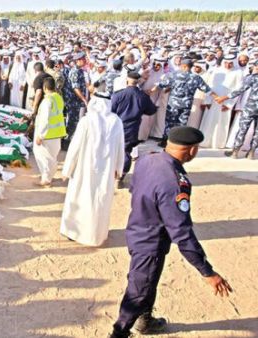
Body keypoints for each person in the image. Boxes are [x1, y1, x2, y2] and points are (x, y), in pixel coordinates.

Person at [109, 126, 232, 338]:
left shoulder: (147, 159)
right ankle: (119, 332)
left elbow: (135, 189)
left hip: (136, 229)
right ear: (191, 150)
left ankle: (144, 320)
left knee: (148, 280)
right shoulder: (175, 182)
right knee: (138, 291)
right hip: (150, 242)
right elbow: (182, 233)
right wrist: (207, 272)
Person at [60, 92, 125, 247]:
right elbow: (120, 149)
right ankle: (96, 234)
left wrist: (67, 169)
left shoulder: (86, 121)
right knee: (100, 201)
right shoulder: (116, 121)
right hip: (106, 171)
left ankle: (75, 232)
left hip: (84, 169)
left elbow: (74, 147)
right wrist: (118, 168)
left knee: (80, 198)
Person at [152, 59, 219, 147]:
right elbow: (207, 90)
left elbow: (161, 85)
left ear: (184, 66)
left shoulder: (174, 75)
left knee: (169, 123)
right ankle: (179, 142)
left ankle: (165, 141)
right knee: (182, 124)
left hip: (173, 105)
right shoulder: (196, 77)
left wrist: (151, 90)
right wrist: (218, 97)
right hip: (186, 105)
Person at [111, 71, 157, 184]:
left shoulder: (118, 94)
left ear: (127, 80)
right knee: (126, 152)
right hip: (132, 128)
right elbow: (151, 111)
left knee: (113, 151)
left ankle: (112, 174)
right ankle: (120, 177)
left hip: (116, 127)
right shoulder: (143, 96)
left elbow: (111, 111)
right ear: (138, 82)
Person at [199, 55, 243, 149]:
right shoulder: (217, 71)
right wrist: (208, 100)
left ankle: (217, 144)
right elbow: (209, 86)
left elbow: (238, 89)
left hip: (226, 103)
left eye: (230, 63)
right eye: (226, 63)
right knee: (208, 121)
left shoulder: (238, 72)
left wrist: (229, 104)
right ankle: (204, 142)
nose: (228, 65)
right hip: (213, 101)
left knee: (222, 124)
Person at [220, 59, 258, 159]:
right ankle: (251, 153)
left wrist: (225, 97)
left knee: (242, 129)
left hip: (251, 107)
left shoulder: (253, 77)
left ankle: (235, 152)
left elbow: (240, 90)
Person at [33, 77, 66, 186]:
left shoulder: (47, 101)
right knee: (52, 157)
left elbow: (45, 120)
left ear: (45, 87)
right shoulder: (58, 98)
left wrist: (40, 135)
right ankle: (49, 176)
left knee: (44, 157)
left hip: (47, 134)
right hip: (57, 133)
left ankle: (46, 179)